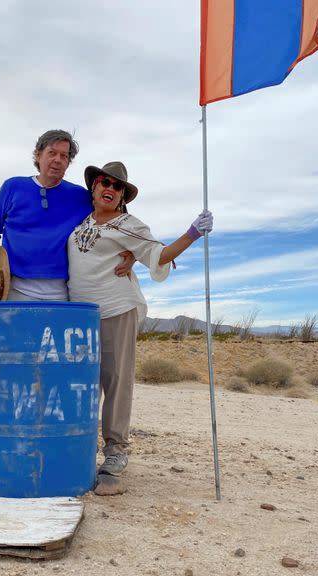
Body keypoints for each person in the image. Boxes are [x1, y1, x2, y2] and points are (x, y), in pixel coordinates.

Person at [67, 161, 213, 477]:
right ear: (94, 187)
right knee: (81, 384)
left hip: (116, 310)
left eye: (117, 186)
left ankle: (115, 450)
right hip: (78, 316)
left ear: (123, 196)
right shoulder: (79, 221)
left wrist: (192, 233)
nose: (109, 188)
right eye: (104, 182)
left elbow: (157, 254)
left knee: (116, 381)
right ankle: (80, 447)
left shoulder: (129, 225)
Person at [0, 130, 133, 300]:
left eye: (64, 156)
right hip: (13, 290)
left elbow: (118, 219)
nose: (57, 159)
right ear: (38, 155)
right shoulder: (13, 187)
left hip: (62, 293)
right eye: (52, 153)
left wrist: (133, 254)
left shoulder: (80, 196)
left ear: (68, 163)